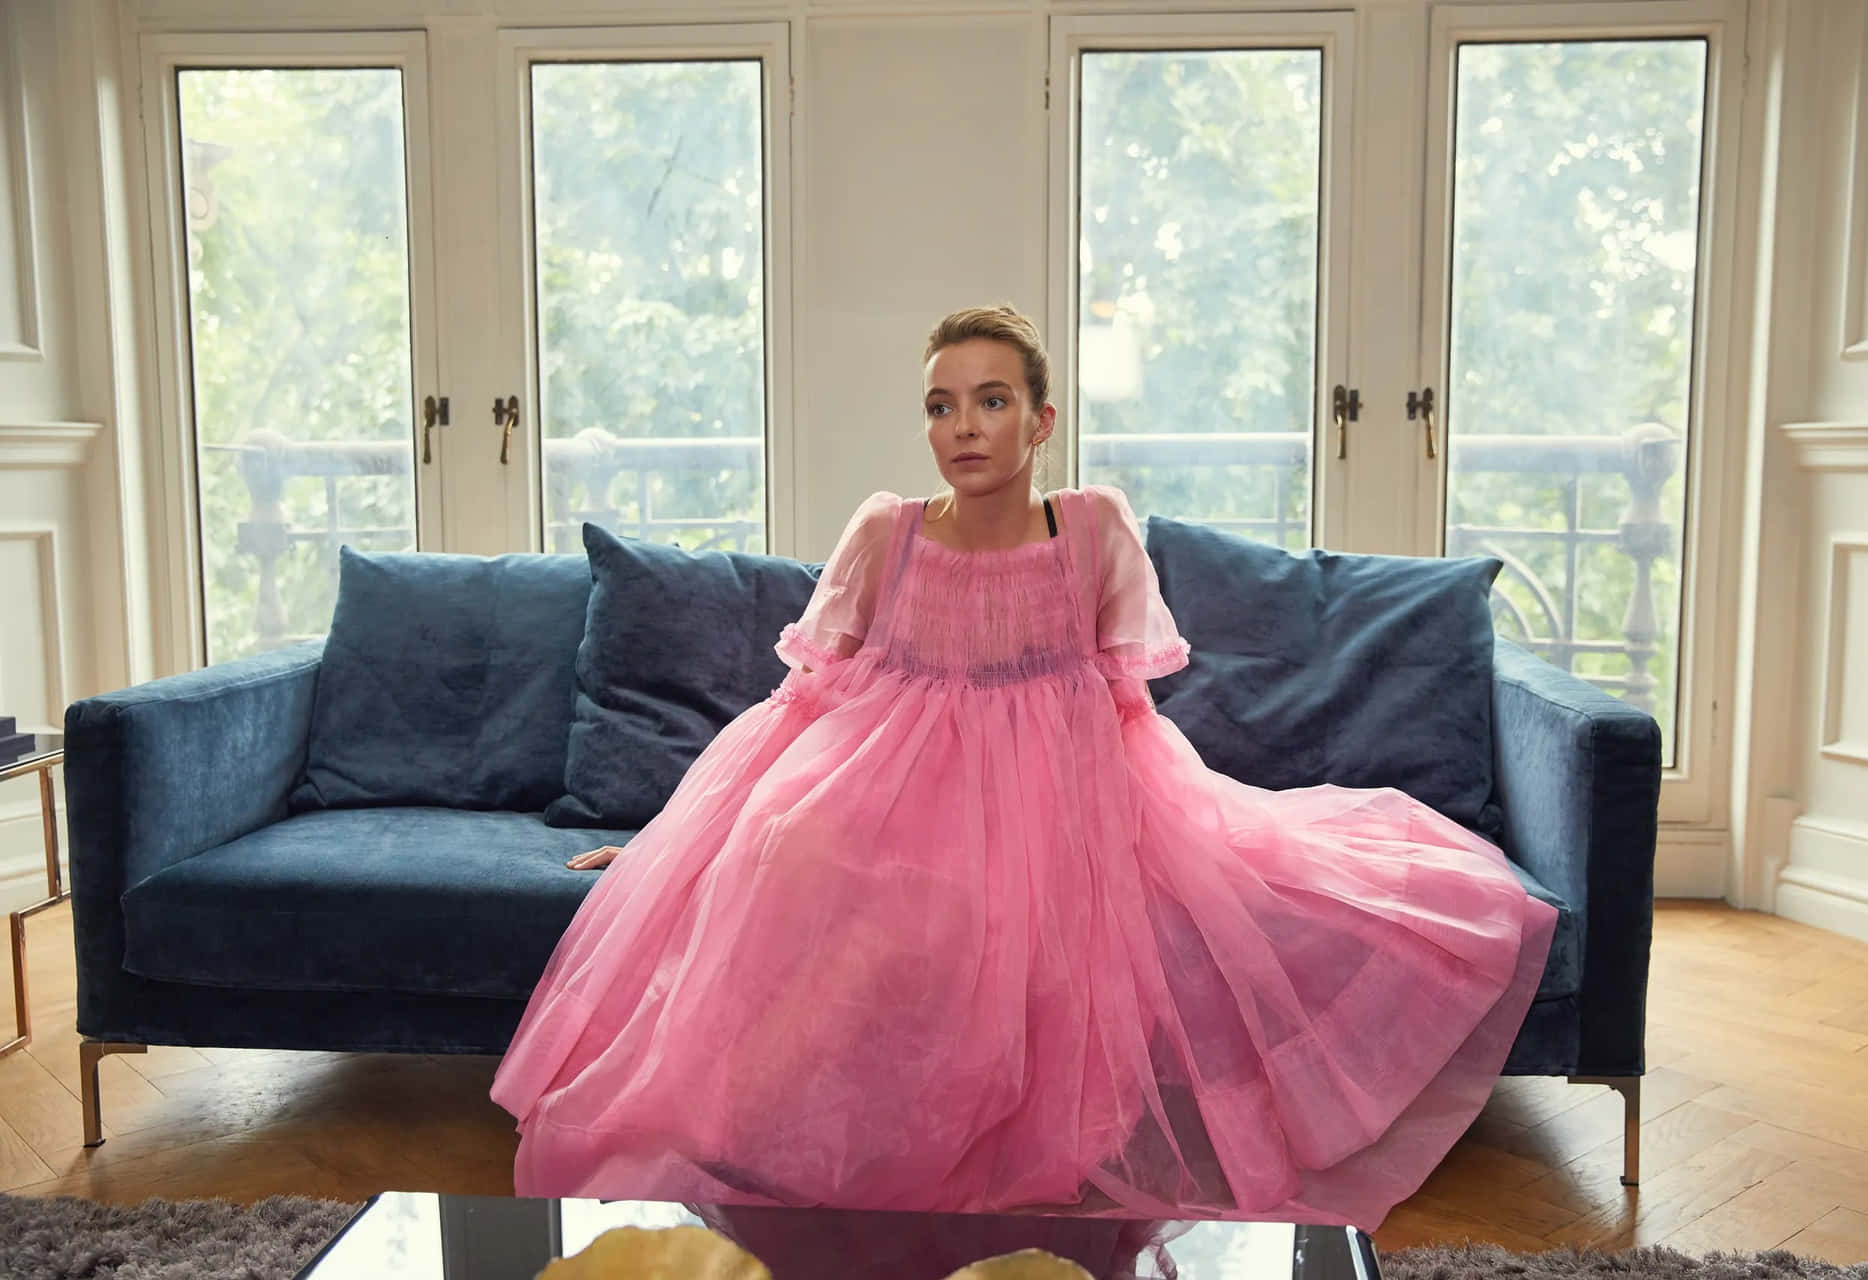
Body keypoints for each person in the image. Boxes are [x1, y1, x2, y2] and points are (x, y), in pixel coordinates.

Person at [490, 305, 1555, 1231]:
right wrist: (681, 836)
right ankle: (805, 1140)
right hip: (886, 781)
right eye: (942, 405)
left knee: (1035, 908)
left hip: (1062, 789)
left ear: (1042, 420)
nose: (964, 427)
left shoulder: (1092, 526)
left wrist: (1144, 823)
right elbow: (806, 701)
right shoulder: (889, 530)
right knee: (794, 856)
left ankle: (1001, 1133)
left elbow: (1124, 705)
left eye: (992, 400)